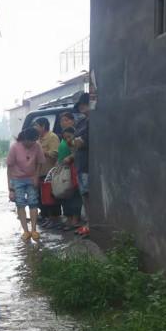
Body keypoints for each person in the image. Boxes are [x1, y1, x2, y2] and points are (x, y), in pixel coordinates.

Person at [7, 127, 47, 241]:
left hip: (31, 178)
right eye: (30, 141)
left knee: (33, 202)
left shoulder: (37, 146)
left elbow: (40, 162)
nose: (32, 144)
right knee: (20, 204)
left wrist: (36, 176)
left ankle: (34, 230)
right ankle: (25, 231)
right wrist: (10, 188)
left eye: (34, 141)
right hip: (17, 179)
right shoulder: (15, 147)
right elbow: (9, 168)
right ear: (24, 139)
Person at [33, 117, 59, 229]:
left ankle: (55, 218)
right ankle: (47, 217)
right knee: (42, 197)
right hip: (40, 172)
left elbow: (56, 153)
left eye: (36, 126)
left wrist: (44, 152)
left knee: (51, 197)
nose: (35, 128)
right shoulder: (38, 138)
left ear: (43, 126)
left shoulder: (52, 137)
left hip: (50, 172)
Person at [56, 127, 83, 231]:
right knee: (66, 194)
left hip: (76, 172)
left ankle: (75, 220)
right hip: (68, 172)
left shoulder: (78, 144)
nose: (67, 139)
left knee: (76, 195)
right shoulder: (69, 145)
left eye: (69, 136)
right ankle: (69, 219)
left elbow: (78, 154)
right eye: (65, 138)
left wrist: (70, 157)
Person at [73, 93, 91, 237]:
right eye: (80, 105)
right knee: (84, 195)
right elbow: (74, 141)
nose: (81, 107)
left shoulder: (93, 122)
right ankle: (88, 223)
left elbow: (83, 141)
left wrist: (79, 142)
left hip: (87, 164)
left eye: (83, 104)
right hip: (80, 164)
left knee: (88, 194)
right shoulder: (81, 122)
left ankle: (91, 224)